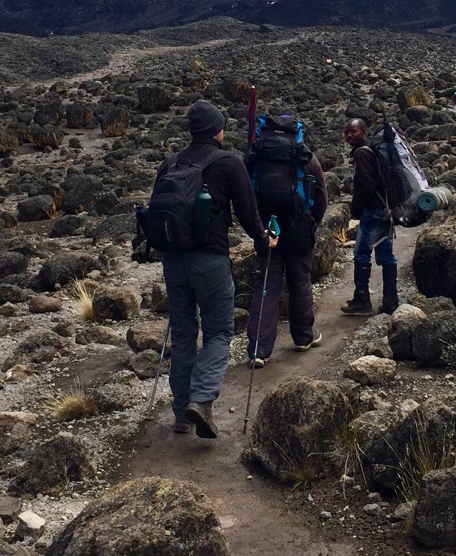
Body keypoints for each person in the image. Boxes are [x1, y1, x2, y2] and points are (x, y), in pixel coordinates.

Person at [156, 99, 275, 439]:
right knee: (219, 332)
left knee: (181, 334)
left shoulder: (170, 164)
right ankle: (202, 399)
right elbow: (248, 214)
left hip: (173, 261)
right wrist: (264, 239)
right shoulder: (229, 163)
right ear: (218, 129)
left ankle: (180, 414)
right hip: (210, 260)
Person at [245, 115, 328, 368]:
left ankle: (259, 348)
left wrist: (257, 229)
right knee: (300, 281)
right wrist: (311, 221)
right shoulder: (305, 158)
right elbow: (321, 197)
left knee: (266, 284)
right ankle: (303, 336)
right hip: (299, 227)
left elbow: (246, 195)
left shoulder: (257, 158)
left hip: (267, 228)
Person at [341, 118, 398, 315]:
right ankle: (391, 302)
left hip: (372, 211)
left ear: (363, 132)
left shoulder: (362, 153)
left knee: (361, 255)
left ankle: (362, 301)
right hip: (385, 209)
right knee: (386, 255)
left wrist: (356, 210)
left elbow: (365, 185)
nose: (349, 135)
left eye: (353, 131)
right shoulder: (373, 150)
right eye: (347, 132)